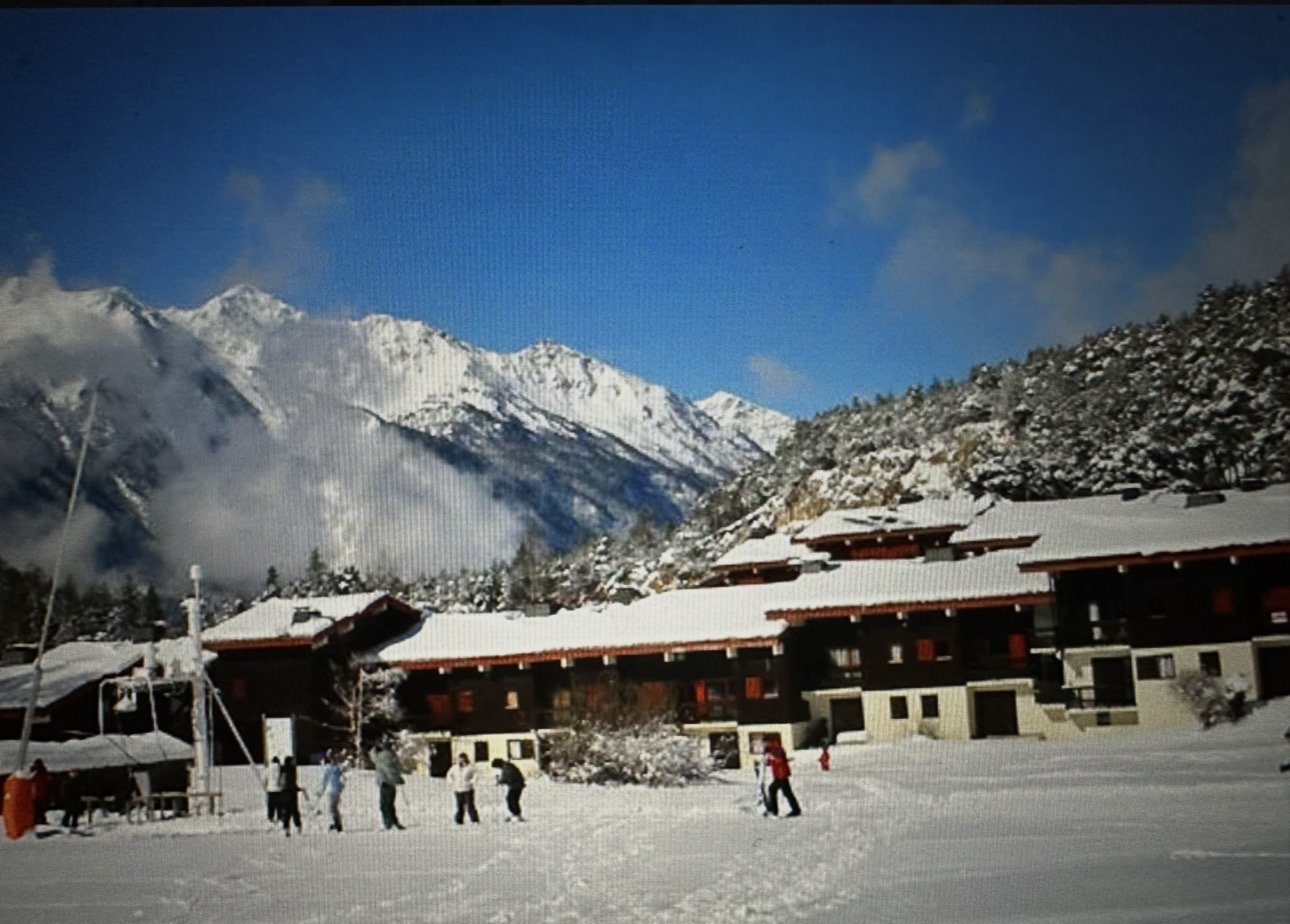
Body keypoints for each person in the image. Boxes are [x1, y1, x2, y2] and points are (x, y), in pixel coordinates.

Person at [370, 742, 405, 830]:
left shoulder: (381, 756)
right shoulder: (393, 756)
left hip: (385, 782)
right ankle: (394, 821)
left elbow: (373, 756)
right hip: (393, 783)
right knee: (390, 804)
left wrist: (374, 748)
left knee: (384, 805)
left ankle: (388, 823)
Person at [764, 739, 801, 817]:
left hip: (781, 774)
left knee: (773, 790)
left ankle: (774, 810)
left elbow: (780, 760)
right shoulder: (772, 750)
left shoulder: (777, 749)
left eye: (765, 742)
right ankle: (795, 809)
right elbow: (772, 762)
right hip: (779, 775)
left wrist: (772, 757)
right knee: (785, 792)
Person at [447, 752, 480, 825]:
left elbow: (475, 775)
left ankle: (474, 820)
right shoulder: (454, 768)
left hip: (468, 789)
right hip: (458, 789)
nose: (461, 760)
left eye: (463, 758)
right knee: (459, 806)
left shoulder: (470, 767)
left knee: (470, 805)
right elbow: (449, 775)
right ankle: (459, 820)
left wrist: (471, 781)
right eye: (460, 759)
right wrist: (451, 781)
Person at [316, 749, 345, 832]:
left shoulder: (329, 769)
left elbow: (323, 781)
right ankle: (337, 823)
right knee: (334, 808)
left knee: (331, 808)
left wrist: (320, 792)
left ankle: (336, 824)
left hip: (331, 790)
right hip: (336, 790)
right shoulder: (338, 768)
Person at [491, 757, 525, 821]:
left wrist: (500, 781)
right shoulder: (507, 766)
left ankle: (516, 814)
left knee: (511, 800)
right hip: (516, 785)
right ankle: (515, 813)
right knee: (512, 800)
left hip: (516, 785)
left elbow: (508, 777)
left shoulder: (507, 768)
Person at [278, 756, 303, 837]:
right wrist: (296, 788)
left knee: (286, 812)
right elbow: (291, 782)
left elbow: (281, 781)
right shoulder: (292, 769)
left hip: (283, 792)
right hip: (291, 793)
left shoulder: (282, 769)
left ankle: (286, 828)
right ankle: (298, 827)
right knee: (294, 811)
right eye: (293, 760)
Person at [30, 758, 51, 825]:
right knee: (40, 809)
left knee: (36, 809)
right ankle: (41, 820)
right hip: (41, 794)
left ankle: (36, 820)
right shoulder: (44, 772)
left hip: (35, 794)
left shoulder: (34, 772)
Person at [264, 756, 283, 824]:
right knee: (279, 805)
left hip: (270, 789)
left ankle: (270, 817)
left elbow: (264, 779)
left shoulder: (268, 769)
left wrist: (265, 787)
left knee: (271, 805)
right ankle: (279, 817)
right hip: (279, 790)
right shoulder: (280, 768)